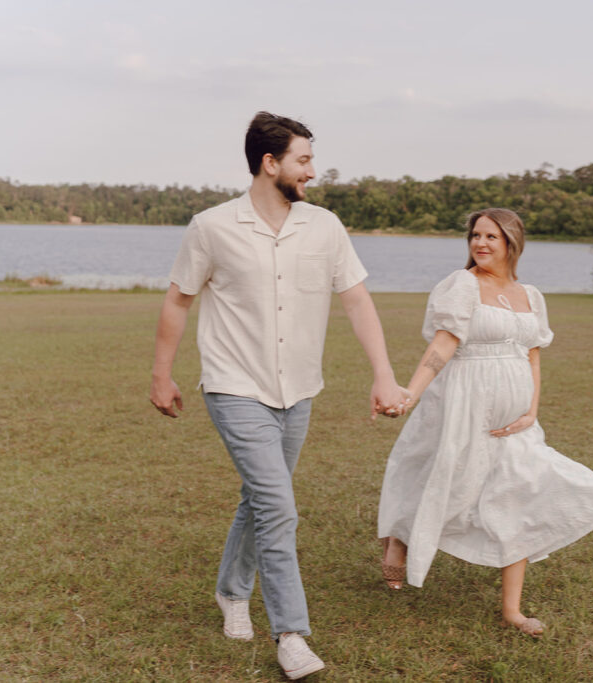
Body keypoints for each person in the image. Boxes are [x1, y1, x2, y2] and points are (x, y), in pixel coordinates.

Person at [150, 111, 409, 680]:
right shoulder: (211, 226)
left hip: (300, 392)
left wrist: (383, 374)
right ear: (271, 164)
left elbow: (359, 302)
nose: (313, 171)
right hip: (234, 386)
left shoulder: (325, 227)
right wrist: (161, 375)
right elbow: (178, 300)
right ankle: (291, 634)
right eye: (304, 160)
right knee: (278, 507)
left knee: (261, 499)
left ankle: (231, 591)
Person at [377, 208, 593, 637]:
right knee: (443, 480)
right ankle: (399, 538)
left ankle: (512, 609)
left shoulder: (529, 294)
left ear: (512, 242)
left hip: (515, 420)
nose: (481, 243)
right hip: (463, 404)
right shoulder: (463, 285)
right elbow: (444, 343)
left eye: (491, 236)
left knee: (520, 494)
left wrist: (531, 410)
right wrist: (410, 393)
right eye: (475, 235)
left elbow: (532, 354)